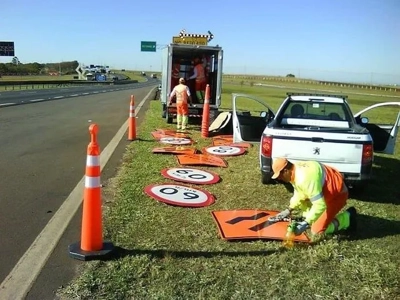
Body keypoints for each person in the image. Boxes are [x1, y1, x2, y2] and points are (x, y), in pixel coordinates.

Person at [268, 158, 357, 239]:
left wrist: (306, 223)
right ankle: (311, 217)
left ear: (286, 171)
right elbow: (300, 193)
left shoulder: (304, 178)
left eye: (280, 176)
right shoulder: (295, 170)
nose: (280, 179)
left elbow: (320, 205)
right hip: (326, 191)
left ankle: (347, 218)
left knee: (316, 231)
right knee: (309, 211)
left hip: (337, 195)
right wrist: (289, 209)